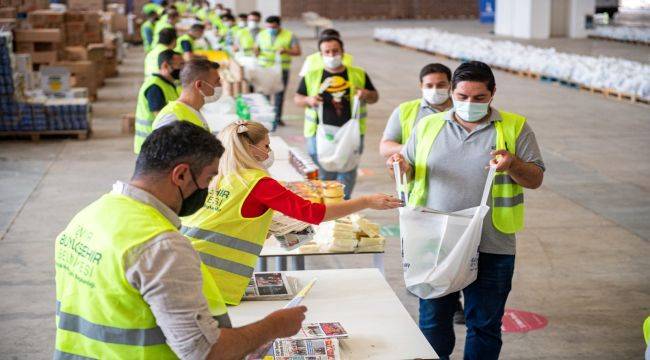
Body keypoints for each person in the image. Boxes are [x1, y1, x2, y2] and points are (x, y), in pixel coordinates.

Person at [55, 122, 308, 360]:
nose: (209, 189)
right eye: (209, 178)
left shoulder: (87, 217)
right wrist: (273, 326)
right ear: (181, 175)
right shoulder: (161, 245)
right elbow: (203, 352)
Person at [388, 61, 545, 360]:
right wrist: (400, 168)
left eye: (479, 98)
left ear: (493, 93)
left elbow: (535, 178)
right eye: (462, 97)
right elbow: (406, 171)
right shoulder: (428, 126)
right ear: (452, 92)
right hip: (435, 245)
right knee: (433, 323)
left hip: (492, 244)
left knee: (484, 326)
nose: (469, 104)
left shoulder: (514, 126)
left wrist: (513, 164)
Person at [181, 121, 403, 306]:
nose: (269, 152)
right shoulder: (259, 184)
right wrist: (366, 201)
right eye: (266, 146)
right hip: (214, 278)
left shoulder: (218, 175)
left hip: (185, 262)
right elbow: (313, 213)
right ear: (251, 148)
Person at [294, 36, 378, 199]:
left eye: (335, 51)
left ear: (343, 52)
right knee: (324, 172)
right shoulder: (312, 75)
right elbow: (298, 98)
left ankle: (343, 206)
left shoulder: (358, 74)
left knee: (348, 170)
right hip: (320, 133)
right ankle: (326, 207)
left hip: (351, 132)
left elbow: (374, 97)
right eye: (327, 52)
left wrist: (366, 94)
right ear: (321, 54)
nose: (332, 55)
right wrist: (308, 100)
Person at [380, 63, 453, 158]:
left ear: (451, 85)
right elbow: (385, 148)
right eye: (429, 86)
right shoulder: (404, 110)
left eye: (441, 85)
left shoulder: (463, 110)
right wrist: (414, 148)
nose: (435, 90)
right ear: (421, 86)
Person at [256, 15, 301, 128]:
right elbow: (256, 48)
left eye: (273, 27)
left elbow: (297, 51)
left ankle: (277, 118)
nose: (271, 29)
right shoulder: (261, 34)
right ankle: (267, 117)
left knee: (279, 94)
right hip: (265, 68)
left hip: (282, 69)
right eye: (268, 27)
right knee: (265, 93)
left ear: (279, 26)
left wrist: (286, 51)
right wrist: (255, 51)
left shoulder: (290, 35)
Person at [134, 49, 182, 154]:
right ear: (165, 66)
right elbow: (161, 118)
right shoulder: (155, 87)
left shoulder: (169, 83)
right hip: (151, 145)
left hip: (159, 142)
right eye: (179, 65)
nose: (182, 69)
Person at [153, 58, 222, 130]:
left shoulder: (193, 110)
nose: (220, 85)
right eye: (217, 82)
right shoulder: (171, 119)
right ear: (199, 85)